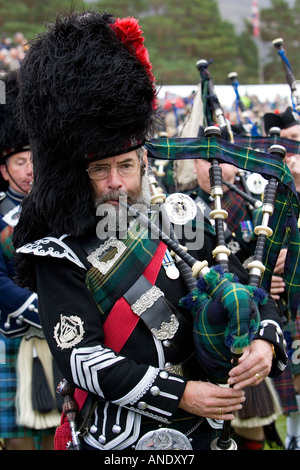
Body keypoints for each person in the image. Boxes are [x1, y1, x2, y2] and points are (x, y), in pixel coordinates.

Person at [13, 11, 287, 451]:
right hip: (121, 443)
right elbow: (82, 360)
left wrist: (264, 344)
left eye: (125, 165)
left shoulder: (182, 222)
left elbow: (252, 293)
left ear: (143, 163)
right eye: (100, 170)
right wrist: (183, 395)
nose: (116, 182)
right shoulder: (59, 254)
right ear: (74, 175)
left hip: (210, 437)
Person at [0, 71, 60, 450]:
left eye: (35, 159)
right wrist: (32, 305)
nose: (30, 169)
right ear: (3, 168)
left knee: (63, 435)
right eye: (21, 161)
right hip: (12, 334)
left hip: (60, 335)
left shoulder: (60, 211)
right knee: (20, 442)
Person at [263, 107, 300, 449]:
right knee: (292, 374)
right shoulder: (267, 194)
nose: (294, 147)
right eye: (286, 142)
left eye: (296, 138)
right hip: (283, 304)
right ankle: (294, 435)